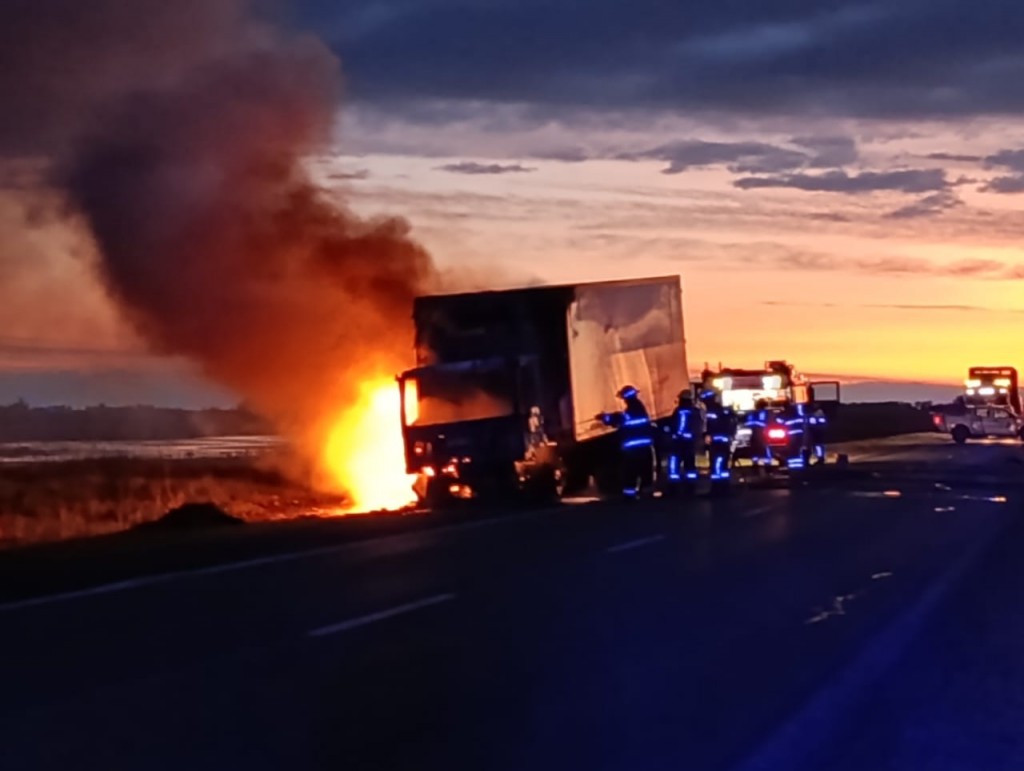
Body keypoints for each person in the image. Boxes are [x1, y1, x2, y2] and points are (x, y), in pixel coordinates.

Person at [598, 385, 655, 499]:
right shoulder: (639, 407)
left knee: (631, 472)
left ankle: (630, 494)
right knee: (645, 471)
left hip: (633, 448)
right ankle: (645, 492)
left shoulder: (632, 409)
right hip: (644, 446)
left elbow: (620, 419)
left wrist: (605, 418)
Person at [667, 390, 703, 487]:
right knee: (690, 464)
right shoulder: (695, 411)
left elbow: (676, 425)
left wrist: (672, 433)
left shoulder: (680, 411)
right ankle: (690, 486)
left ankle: (674, 486)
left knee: (675, 463)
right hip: (690, 442)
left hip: (679, 442)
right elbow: (699, 426)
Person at [701, 389, 737, 483]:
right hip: (724, 441)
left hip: (717, 442)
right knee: (723, 464)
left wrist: (706, 435)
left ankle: (717, 488)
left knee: (716, 464)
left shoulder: (712, 411)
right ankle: (724, 487)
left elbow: (710, 426)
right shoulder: (721, 410)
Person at [745, 398, 773, 468]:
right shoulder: (764, 412)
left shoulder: (754, 413)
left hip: (758, 433)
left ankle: (758, 462)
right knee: (762, 447)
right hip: (761, 433)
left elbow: (749, 423)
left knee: (757, 447)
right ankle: (765, 463)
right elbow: (768, 422)